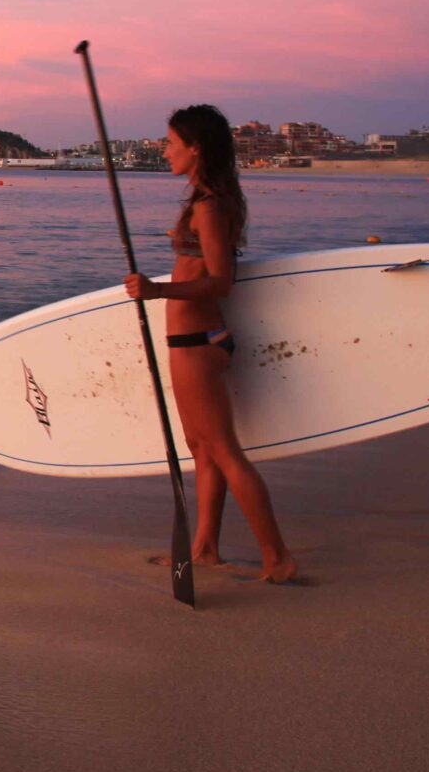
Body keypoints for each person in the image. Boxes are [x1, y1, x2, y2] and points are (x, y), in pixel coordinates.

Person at [121, 105, 300, 584]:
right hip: (192, 339)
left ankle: (277, 556)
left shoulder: (209, 206)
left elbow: (221, 282)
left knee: (221, 450)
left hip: (198, 342)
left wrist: (158, 290)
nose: (165, 150)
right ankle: (205, 547)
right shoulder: (205, 199)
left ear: (195, 147)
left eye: (171, 142)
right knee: (201, 448)